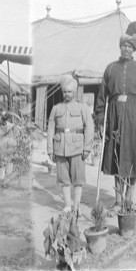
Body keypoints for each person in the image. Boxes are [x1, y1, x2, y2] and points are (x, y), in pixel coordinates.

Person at [94, 21, 136, 210]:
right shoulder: (110, 69)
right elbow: (101, 99)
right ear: (120, 46)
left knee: (133, 156)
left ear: (134, 49)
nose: (126, 49)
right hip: (115, 117)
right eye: (124, 45)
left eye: (130, 46)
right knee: (116, 155)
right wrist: (100, 122)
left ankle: (129, 200)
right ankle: (117, 201)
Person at [47, 75, 94, 215]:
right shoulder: (56, 108)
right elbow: (50, 129)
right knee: (63, 178)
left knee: (78, 178)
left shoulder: (82, 107)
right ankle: (68, 205)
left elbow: (89, 128)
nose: (67, 94)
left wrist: (87, 147)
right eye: (64, 92)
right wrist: (50, 149)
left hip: (77, 148)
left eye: (69, 92)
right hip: (60, 147)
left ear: (74, 92)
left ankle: (77, 206)